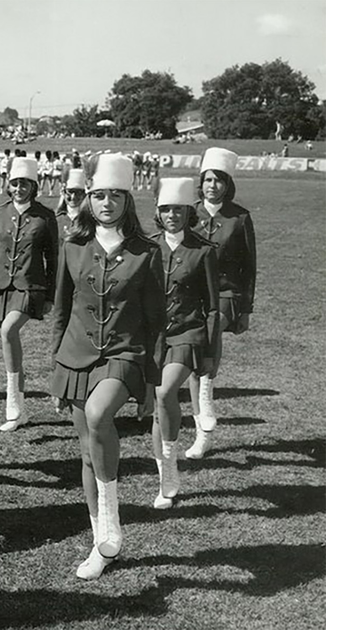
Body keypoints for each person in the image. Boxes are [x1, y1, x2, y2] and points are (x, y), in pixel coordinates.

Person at [50, 153, 164, 579]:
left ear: (127, 200)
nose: (106, 203)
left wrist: (151, 384)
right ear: (88, 200)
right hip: (76, 356)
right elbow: (62, 313)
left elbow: (157, 322)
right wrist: (57, 373)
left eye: (115, 195)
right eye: (99, 195)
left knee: (100, 415)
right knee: (85, 450)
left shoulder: (146, 252)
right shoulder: (73, 246)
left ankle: (112, 521)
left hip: (124, 355)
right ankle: (101, 542)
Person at [149, 177, 219, 509]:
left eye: (178, 209)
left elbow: (213, 308)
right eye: (165, 210)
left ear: (188, 211)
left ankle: (171, 462)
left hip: (188, 335)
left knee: (165, 392)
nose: (172, 215)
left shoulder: (203, 250)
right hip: (152, 338)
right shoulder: (147, 247)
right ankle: (165, 475)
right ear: (157, 213)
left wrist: (210, 355)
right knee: (156, 411)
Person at [187, 148, 256, 459]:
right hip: (192, 295)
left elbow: (249, 267)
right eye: (208, 179)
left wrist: (246, 310)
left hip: (227, 296)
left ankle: (206, 396)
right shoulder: (188, 214)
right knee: (190, 353)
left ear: (228, 185)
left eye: (219, 180)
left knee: (208, 334)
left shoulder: (240, 218)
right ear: (200, 183)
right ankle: (201, 430)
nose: (212, 185)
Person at [0, 156, 58, 431]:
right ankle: (19, 406)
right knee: (8, 340)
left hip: (31, 286)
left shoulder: (45, 216)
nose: (19, 188)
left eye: (25, 184)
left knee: (8, 331)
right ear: (9, 185)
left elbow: (53, 259)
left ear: (34, 186)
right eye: (15, 183)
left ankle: (13, 404)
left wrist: (50, 296)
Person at [54, 168, 87, 241]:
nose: (73, 197)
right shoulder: (55, 220)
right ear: (63, 192)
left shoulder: (90, 220)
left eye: (78, 192)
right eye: (70, 191)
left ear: (84, 194)